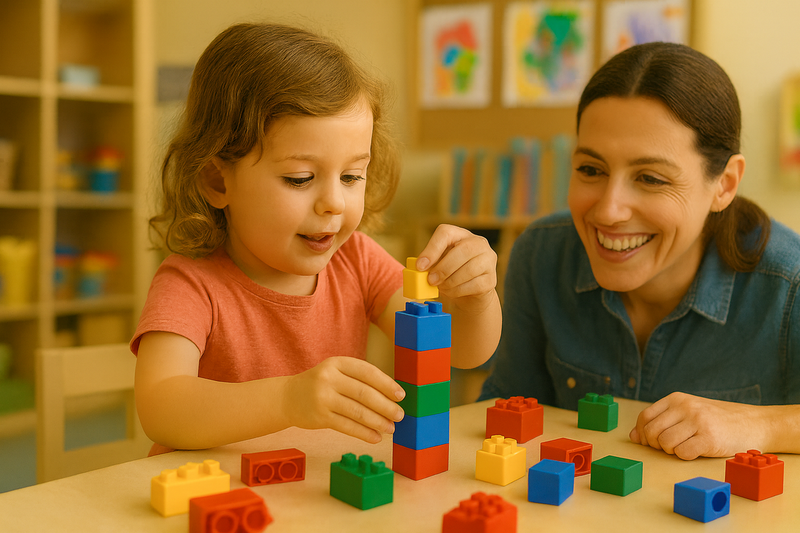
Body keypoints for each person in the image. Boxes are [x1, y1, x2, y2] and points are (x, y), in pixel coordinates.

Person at [133, 22, 501, 454]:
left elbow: (459, 352)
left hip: (317, 498)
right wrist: (288, 399)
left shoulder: (358, 261)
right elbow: (160, 408)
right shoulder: (190, 283)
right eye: (300, 178)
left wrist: (476, 299)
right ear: (218, 179)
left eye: (350, 176)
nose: (334, 204)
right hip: (214, 502)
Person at [479, 42, 800, 460]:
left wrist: (761, 425)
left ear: (724, 184)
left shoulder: (789, 283)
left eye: (650, 178)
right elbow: (506, 410)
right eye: (591, 170)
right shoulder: (540, 254)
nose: (609, 211)